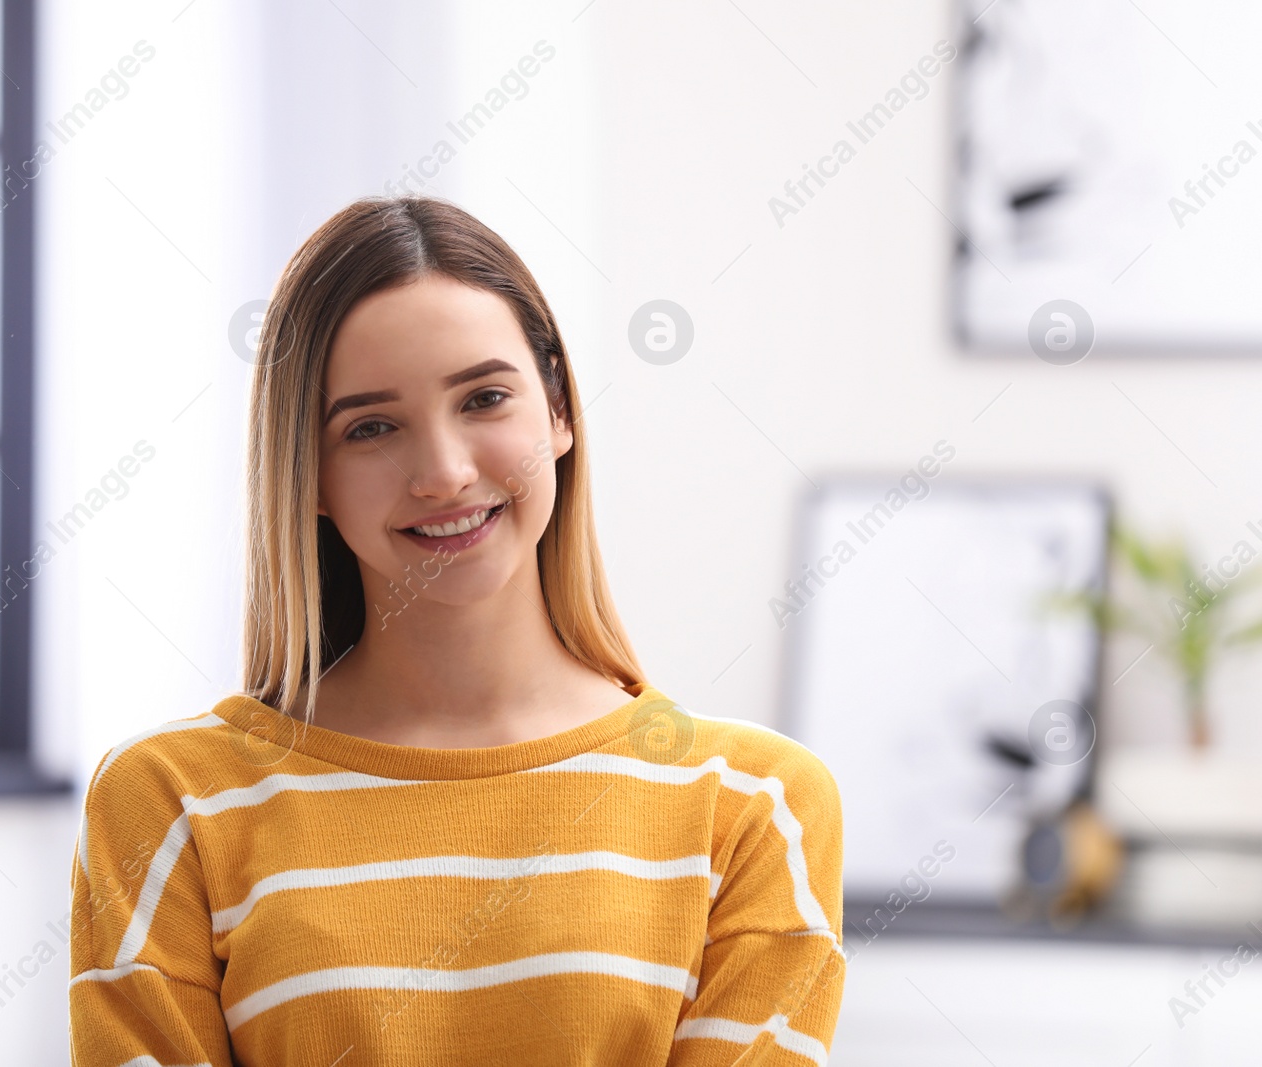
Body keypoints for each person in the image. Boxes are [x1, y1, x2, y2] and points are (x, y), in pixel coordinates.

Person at [68, 195, 846, 1065]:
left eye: (483, 398)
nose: (443, 472)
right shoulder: (169, 801)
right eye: (370, 427)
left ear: (558, 412)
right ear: (308, 473)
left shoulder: (755, 805)